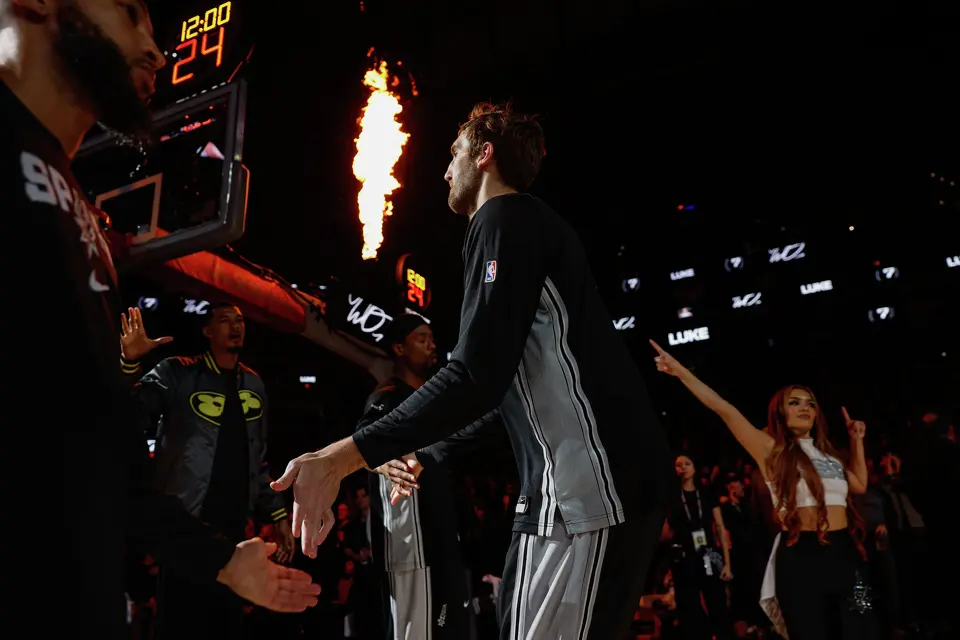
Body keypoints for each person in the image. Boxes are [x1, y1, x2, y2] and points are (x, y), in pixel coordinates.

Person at [272, 102, 673, 639]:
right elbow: (498, 396)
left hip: (589, 489)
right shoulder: (523, 229)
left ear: (485, 155)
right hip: (588, 487)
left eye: (454, 154)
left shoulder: (504, 216)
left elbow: (474, 376)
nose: (444, 170)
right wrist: (418, 449)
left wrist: (340, 457)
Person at [0, 0, 319, 635]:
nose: (157, 46)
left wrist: (223, 559)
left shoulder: (81, 212)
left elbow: (100, 447)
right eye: (129, 12)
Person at [649, 340, 878, 640]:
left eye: (809, 403)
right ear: (780, 412)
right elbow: (724, 409)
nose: (804, 408)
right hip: (800, 553)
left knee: (861, 626)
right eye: (794, 402)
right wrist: (680, 372)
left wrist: (857, 441)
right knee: (810, 631)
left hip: (844, 552)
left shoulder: (829, 456)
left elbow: (859, 484)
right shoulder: (771, 449)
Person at [119, 302, 297, 638]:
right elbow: (130, 416)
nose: (235, 326)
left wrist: (278, 516)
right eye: (224, 320)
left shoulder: (254, 385)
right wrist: (130, 363)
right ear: (207, 330)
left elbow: (258, 458)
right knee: (178, 624)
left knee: (226, 625)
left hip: (234, 532)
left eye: (240, 320)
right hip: (185, 526)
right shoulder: (177, 372)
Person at [359, 314, 470, 639]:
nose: (431, 344)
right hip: (411, 547)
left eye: (432, 337)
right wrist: (378, 461)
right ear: (399, 348)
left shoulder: (434, 400)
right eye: (421, 338)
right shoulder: (387, 397)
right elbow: (363, 443)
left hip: (440, 540)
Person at [662, 454, 733, 640]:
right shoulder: (672, 496)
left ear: (694, 467)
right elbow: (666, 531)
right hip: (684, 558)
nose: (683, 468)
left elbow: (720, 527)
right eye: (678, 465)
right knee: (689, 607)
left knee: (717, 602)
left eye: (687, 463)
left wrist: (727, 563)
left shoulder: (707, 494)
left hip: (708, 555)